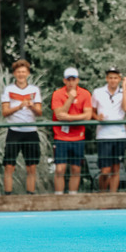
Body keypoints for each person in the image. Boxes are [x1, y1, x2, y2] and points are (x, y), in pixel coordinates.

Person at [1, 59, 43, 195]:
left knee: (31, 167)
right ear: (14, 73)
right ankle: (8, 196)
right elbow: (4, 112)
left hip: (31, 131)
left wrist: (31, 106)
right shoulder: (8, 89)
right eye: (18, 72)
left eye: (23, 72)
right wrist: (19, 107)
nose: (21, 74)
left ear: (28, 73)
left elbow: (39, 112)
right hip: (14, 131)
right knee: (9, 166)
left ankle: (30, 196)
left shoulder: (34, 90)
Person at [51, 67, 92, 195]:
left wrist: (69, 118)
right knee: (60, 169)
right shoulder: (57, 94)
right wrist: (70, 99)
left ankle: (72, 195)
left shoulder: (85, 94)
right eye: (68, 79)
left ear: (77, 80)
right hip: (61, 137)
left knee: (76, 168)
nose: (71, 82)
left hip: (78, 137)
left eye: (73, 79)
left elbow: (88, 115)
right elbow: (59, 115)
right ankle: (59, 196)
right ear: (64, 80)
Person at [91, 66, 126, 192]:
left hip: (119, 135)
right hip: (103, 135)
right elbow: (92, 111)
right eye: (110, 78)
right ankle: (103, 194)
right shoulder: (98, 92)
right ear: (106, 79)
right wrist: (97, 117)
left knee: (115, 168)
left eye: (115, 78)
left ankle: (113, 196)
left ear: (119, 79)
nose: (113, 80)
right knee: (105, 170)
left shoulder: (125, 92)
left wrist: (124, 87)